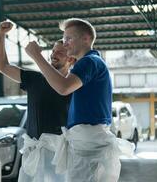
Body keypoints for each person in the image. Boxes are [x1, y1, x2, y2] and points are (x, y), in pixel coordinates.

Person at [24, 18, 134, 182]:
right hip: (87, 143)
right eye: (64, 38)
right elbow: (62, 84)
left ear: (86, 38)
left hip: (89, 144)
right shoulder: (89, 63)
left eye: (69, 38)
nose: (65, 43)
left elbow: (63, 87)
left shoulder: (89, 61)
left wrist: (36, 56)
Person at [0, 21, 76, 182]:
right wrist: (1, 35)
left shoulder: (72, 84)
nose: (54, 54)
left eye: (60, 52)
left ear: (71, 60)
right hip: (33, 151)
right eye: (53, 50)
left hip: (58, 153)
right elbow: (2, 66)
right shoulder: (35, 79)